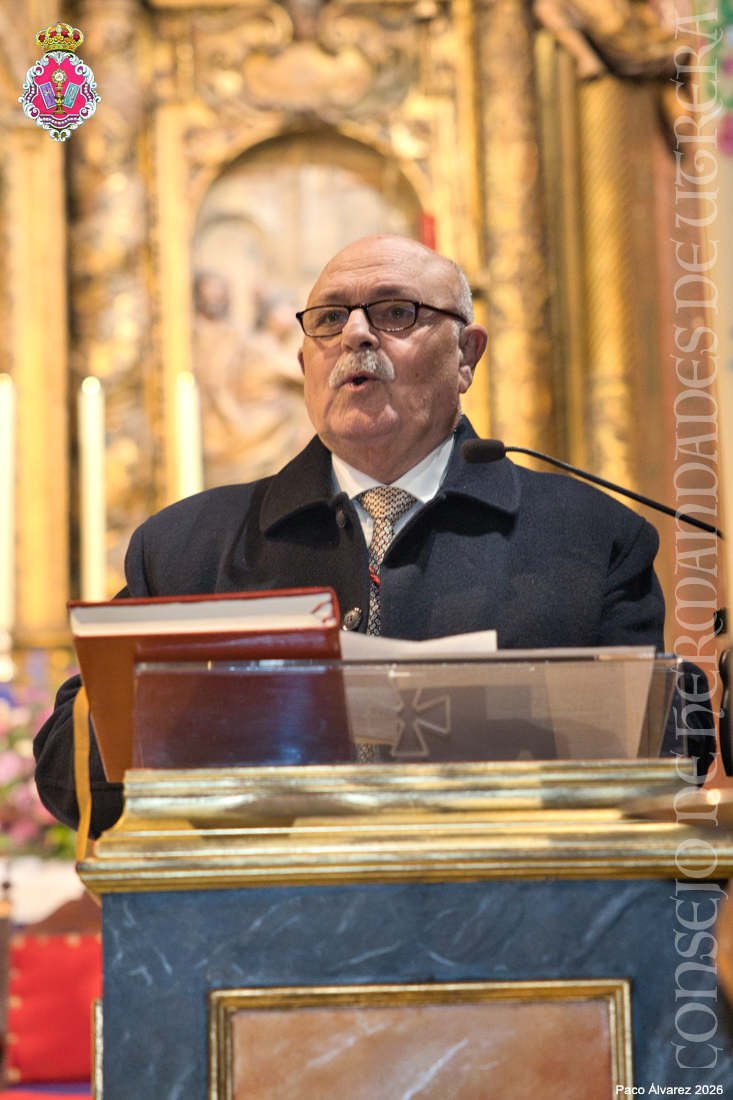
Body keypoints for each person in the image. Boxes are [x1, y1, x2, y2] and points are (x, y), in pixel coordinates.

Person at [35, 234, 673, 838]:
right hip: (264, 907)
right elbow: (67, 776)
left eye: (396, 313)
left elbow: (664, 758)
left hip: (510, 903)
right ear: (304, 363)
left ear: (466, 355)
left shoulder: (590, 540)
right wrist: (197, 713)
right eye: (330, 319)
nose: (356, 334)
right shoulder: (187, 547)